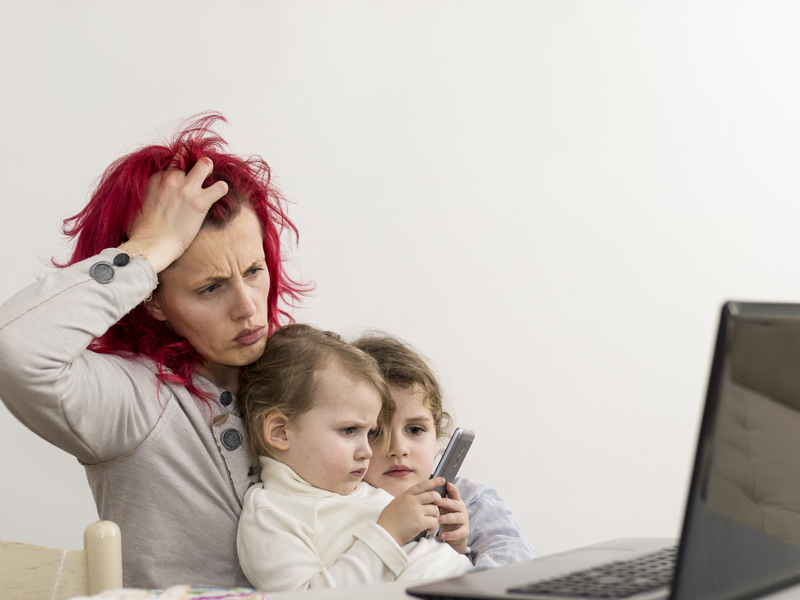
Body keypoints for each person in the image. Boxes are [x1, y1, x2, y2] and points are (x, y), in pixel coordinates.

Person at [0, 113, 306, 589]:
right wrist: (148, 249)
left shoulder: (301, 375)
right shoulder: (134, 399)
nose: (248, 308)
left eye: (253, 270)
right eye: (210, 288)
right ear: (153, 299)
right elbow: (16, 349)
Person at [236, 323, 472, 592]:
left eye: (368, 432)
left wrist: (453, 545)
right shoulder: (272, 515)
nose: (368, 452)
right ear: (280, 432)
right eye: (349, 430)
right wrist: (388, 534)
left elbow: (415, 557)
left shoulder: (362, 488)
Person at [353, 333, 538, 570]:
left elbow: (514, 564)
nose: (398, 449)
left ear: (437, 432)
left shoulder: (470, 500)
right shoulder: (340, 502)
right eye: (375, 433)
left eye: (415, 429)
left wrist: (456, 553)